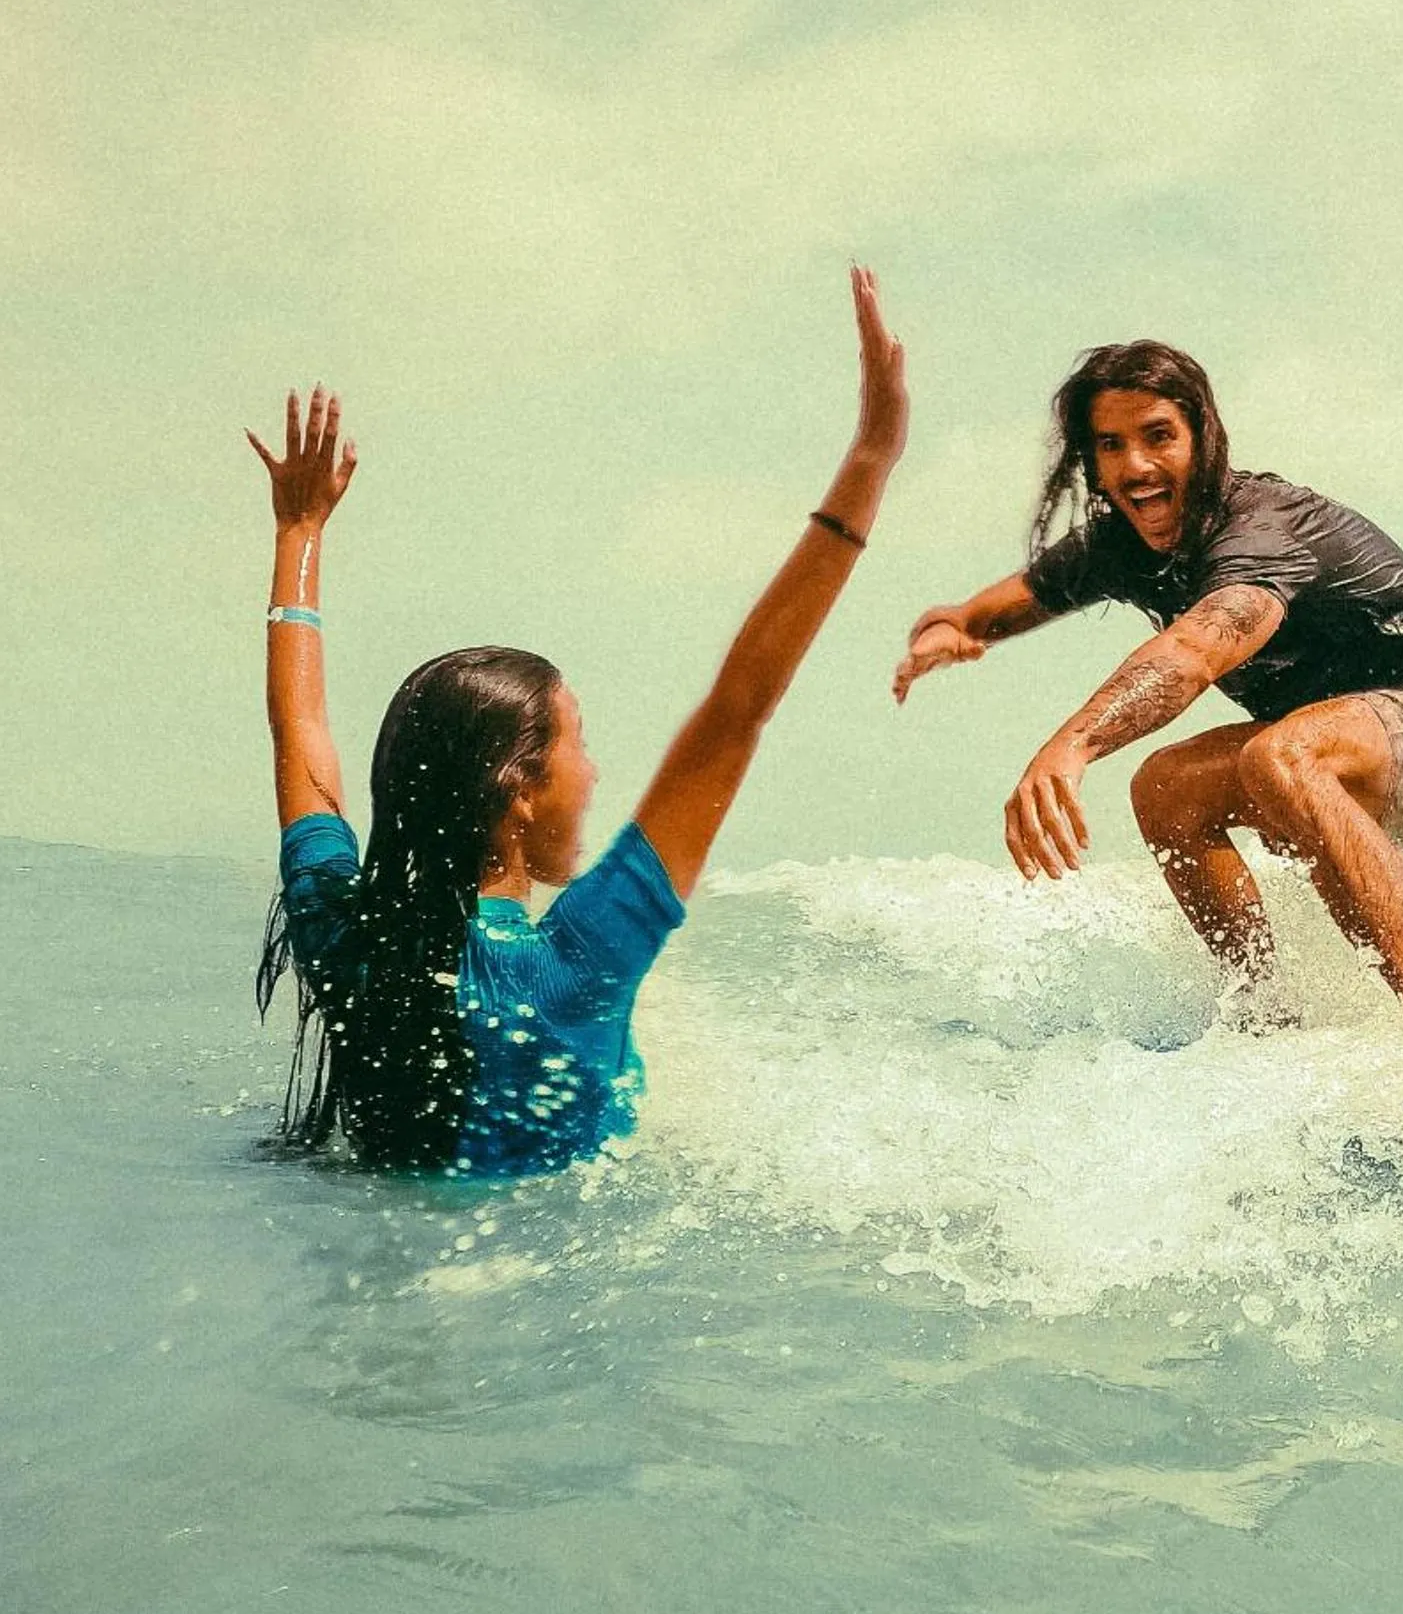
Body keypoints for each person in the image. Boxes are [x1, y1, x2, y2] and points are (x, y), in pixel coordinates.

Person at [250, 268, 910, 1173]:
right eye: (577, 741)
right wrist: (870, 461)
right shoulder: (582, 959)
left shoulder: (347, 936)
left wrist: (299, 534)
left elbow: (302, 733)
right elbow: (740, 706)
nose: (594, 772)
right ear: (517, 789)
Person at [892, 341, 1403, 1044]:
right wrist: (952, 626)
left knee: (1283, 756)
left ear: (1202, 435)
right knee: (1166, 787)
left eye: (1158, 437)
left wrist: (1073, 745)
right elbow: (1023, 595)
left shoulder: (1259, 529)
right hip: (1316, 742)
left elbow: (1195, 651)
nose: (1136, 467)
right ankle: (1268, 1018)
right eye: (1111, 445)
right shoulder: (1120, 544)